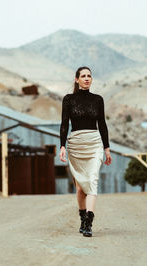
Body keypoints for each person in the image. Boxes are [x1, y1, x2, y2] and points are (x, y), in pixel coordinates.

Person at [59, 66, 112, 237]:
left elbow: (102, 124)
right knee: (81, 187)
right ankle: (82, 216)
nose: (87, 78)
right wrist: (62, 146)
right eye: (83, 76)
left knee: (92, 181)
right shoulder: (68, 99)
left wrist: (107, 148)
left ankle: (88, 223)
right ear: (77, 79)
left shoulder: (98, 100)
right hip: (76, 145)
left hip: (94, 143)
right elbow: (64, 124)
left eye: (89, 76)